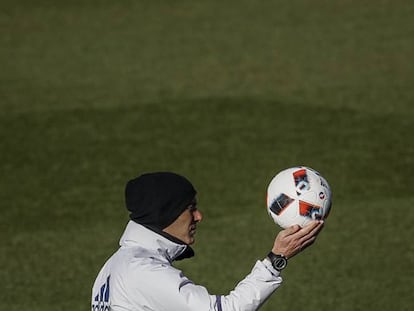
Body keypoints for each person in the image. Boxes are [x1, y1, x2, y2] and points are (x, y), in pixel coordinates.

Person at [91, 172, 324, 311]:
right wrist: (276, 260)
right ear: (166, 213)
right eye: (190, 208)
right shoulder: (142, 271)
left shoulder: (115, 266)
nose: (199, 216)